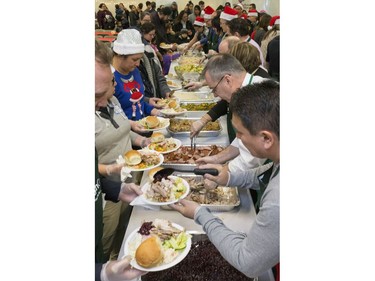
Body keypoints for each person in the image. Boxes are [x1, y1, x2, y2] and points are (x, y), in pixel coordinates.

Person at [170, 79, 280, 279]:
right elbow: (263, 174)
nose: (237, 140)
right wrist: (227, 176)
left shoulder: (279, 199)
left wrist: (200, 213)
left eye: (240, 134)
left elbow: (247, 261)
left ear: (266, 138)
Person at [95, 39, 147, 281]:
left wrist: (143, 142)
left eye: (111, 86)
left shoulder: (110, 99)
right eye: (97, 94)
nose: (107, 98)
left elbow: (123, 127)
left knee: (123, 229)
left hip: (120, 181)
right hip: (106, 192)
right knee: (103, 240)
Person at [112, 29, 161, 121]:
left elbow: (139, 102)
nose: (138, 64)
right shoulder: (110, 79)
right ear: (119, 55)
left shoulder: (134, 71)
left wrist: (154, 111)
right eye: (134, 59)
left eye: (140, 59)